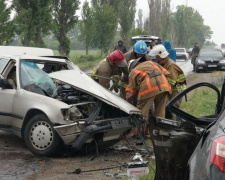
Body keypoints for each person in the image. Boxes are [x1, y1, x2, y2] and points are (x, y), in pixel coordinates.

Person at [150, 44, 187, 120]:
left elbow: (171, 81)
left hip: (177, 89)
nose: (156, 58)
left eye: (157, 57)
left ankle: (174, 126)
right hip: (173, 88)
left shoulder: (170, 65)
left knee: (173, 107)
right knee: (168, 106)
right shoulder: (163, 63)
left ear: (162, 56)